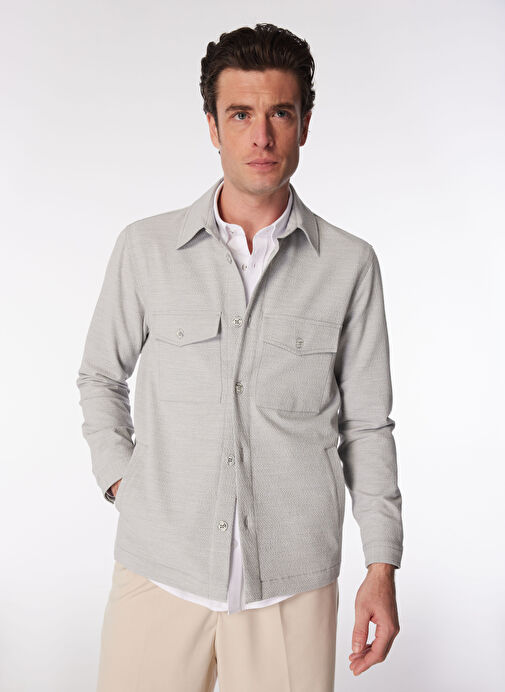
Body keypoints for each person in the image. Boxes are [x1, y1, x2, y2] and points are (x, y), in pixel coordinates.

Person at [76, 22, 403, 691]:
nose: (261, 138)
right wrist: (123, 483)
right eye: (241, 115)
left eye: (280, 113)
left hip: (291, 585)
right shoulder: (146, 249)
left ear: (304, 125)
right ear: (212, 126)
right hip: (159, 570)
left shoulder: (349, 265)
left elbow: (367, 424)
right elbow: (100, 376)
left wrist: (381, 563)